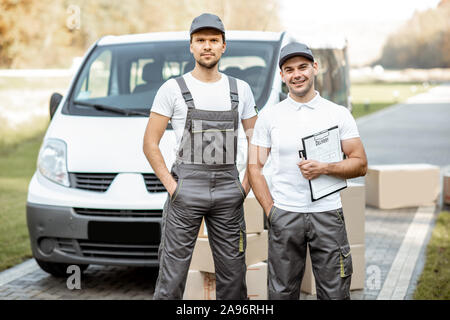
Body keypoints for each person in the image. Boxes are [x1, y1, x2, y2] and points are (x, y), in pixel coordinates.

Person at [143, 13, 258, 300]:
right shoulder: (172, 89)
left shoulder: (240, 90)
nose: (207, 46)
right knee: (171, 278)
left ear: (223, 46)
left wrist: (244, 186)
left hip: (228, 192)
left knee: (234, 279)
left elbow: (257, 141)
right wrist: (174, 188)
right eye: (201, 40)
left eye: (213, 40)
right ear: (191, 46)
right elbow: (149, 143)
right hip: (185, 191)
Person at [248, 42, 368, 300]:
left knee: (335, 293)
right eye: (289, 69)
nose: (297, 74)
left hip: (327, 215)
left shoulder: (337, 114)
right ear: (282, 76)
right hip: (286, 215)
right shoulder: (270, 117)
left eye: (303, 67)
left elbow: (360, 164)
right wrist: (272, 211)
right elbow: (254, 167)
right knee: (281, 293)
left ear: (315, 68)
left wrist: (325, 167)